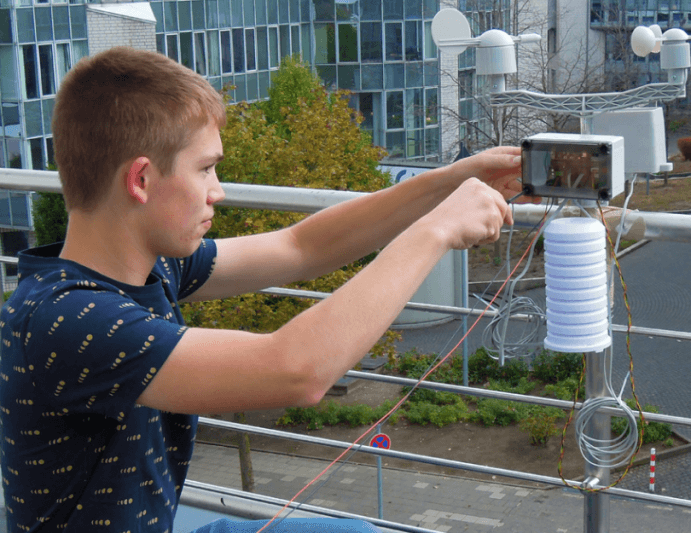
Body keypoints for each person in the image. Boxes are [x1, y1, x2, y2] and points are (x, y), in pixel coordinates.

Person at [0, 46, 523, 532]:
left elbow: (303, 246)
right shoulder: (67, 321)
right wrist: (436, 232)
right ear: (140, 180)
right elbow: (297, 369)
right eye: (205, 169)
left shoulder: (147, 268)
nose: (218, 192)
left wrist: (449, 181)